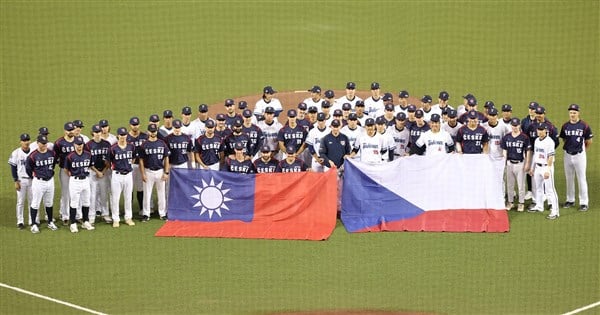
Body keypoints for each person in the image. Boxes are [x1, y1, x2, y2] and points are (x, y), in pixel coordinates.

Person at [559, 104, 593, 211]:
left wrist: (581, 150)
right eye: (570, 112)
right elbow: (564, 139)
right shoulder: (565, 126)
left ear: (578, 113)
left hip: (580, 155)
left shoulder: (584, 125)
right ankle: (570, 200)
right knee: (569, 178)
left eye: (574, 112)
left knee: (581, 178)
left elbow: (589, 141)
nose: (572, 114)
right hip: (568, 155)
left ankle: (584, 202)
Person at [26, 135, 59, 233]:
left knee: (49, 202)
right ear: (38, 143)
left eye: (46, 143)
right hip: (38, 182)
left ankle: (50, 222)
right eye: (42, 143)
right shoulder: (32, 156)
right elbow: (28, 169)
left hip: (50, 181)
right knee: (35, 203)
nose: (44, 145)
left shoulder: (52, 153)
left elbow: (52, 165)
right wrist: (35, 176)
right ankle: (33, 224)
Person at [139, 124, 171, 222]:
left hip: (160, 171)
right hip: (148, 171)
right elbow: (141, 160)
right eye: (151, 131)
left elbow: (166, 158)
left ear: (157, 131)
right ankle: (146, 214)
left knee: (161, 194)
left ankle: (162, 213)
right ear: (148, 132)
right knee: (147, 194)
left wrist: (166, 172)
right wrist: (143, 173)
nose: (153, 133)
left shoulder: (162, 143)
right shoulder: (144, 145)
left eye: (154, 131)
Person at [528, 123, 560, 219]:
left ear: (546, 131)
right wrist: (532, 167)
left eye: (542, 130)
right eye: (539, 129)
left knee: (550, 190)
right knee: (538, 188)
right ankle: (539, 206)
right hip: (538, 167)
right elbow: (535, 154)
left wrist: (548, 170)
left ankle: (555, 211)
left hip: (546, 167)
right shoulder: (537, 140)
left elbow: (551, 157)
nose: (540, 131)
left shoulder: (550, 142)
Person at [64, 136, 94, 233]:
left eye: (81, 144)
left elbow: (90, 166)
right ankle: (73, 223)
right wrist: (72, 175)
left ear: (83, 145)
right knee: (74, 202)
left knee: (86, 202)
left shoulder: (88, 155)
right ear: (74, 145)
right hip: (75, 181)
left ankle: (85, 221)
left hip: (85, 180)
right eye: (77, 144)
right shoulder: (70, 156)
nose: (79, 146)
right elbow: (66, 169)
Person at [501, 118, 531, 211]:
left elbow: (528, 151)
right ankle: (510, 202)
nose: (515, 127)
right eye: (513, 125)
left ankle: (521, 203)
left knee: (521, 185)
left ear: (519, 125)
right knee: (510, 185)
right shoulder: (506, 137)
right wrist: (504, 162)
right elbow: (504, 151)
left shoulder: (524, 137)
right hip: (510, 163)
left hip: (520, 164)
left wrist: (527, 163)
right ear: (511, 126)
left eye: (516, 125)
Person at [109, 127, 136, 227]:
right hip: (117, 175)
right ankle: (115, 219)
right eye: (121, 135)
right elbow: (109, 161)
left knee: (128, 197)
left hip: (128, 175)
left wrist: (128, 166)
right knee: (115, 198)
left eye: (124, 135)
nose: (123, 137)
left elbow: (133, 158)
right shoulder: (113, 148)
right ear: (118, 136)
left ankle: (128, 217)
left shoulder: (131, 147)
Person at [86, 124, 111, 225]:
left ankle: (105, 214)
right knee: (92, 195)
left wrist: (103, 171)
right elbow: (87, 161)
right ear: (92, 133)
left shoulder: (107, 144)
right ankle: (91, 216)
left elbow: (109, 160)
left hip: (104, 172)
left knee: (104, 194)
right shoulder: (88, 145)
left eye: (99, 132)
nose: (97, 134)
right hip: (92, 173)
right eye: (96, 132)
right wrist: (97, 172)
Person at [8, 133, 33, 229]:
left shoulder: (34, 152)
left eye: (27, 140)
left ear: (30, 141)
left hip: (32, 180)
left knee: (32, 201)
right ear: (20, 142)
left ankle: (32, 220)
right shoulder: (16, 153)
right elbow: (13, 167)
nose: (26, 142)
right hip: (21, 180)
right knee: (20, 202)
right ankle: (20, 221)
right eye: (24, 141)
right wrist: (15, 181)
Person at [54, 121, 76, 225]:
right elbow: (55, 156)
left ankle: (76, 215)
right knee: (66, 193)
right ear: (65, 131)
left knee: (76, 193)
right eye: (68, 130)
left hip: (76, 171)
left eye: (72, 130)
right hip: (64, 171)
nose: (70, 132)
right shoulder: (59, 142)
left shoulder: (78, 141)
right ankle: (65, 215)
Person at [126, 116, 149, 214]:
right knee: (129, 188)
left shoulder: (145, 136)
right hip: (130, 165)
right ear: (130, 125)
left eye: (136, 124)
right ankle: (129, 210)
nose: (135, 126)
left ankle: (141, 209)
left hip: (141, 165)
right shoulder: (125, 137)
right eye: (133, 125)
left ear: (139, 125)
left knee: (140, 188)